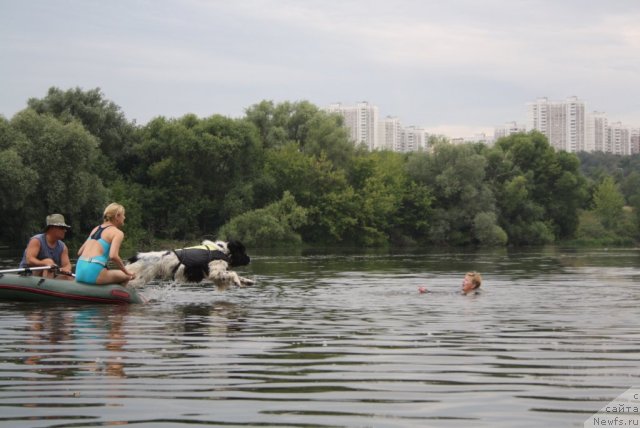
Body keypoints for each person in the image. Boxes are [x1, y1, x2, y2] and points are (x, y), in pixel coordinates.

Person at [76, 203, 136, 286]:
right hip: (93, 271)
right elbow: (113, 256)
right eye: (123, 215)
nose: (124, 217)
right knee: (128, 276)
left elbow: (79, 252)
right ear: (117, 216)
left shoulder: (96, 229)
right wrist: (126, 271)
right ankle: (116, 297)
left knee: (109, 271)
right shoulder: (117, 233)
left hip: (79, 271)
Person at [19, 213, 73, 279]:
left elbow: (67, 265)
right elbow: (29, 260)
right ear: (51, 228)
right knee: (49, 263)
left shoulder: (63, 247)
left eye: (65, 228)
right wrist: (45, 263)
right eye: (62, 228)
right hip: (28, 273)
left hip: (50, 275)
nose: (65, 230)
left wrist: (66, 269)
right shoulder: (36, 240)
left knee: (67, 276)